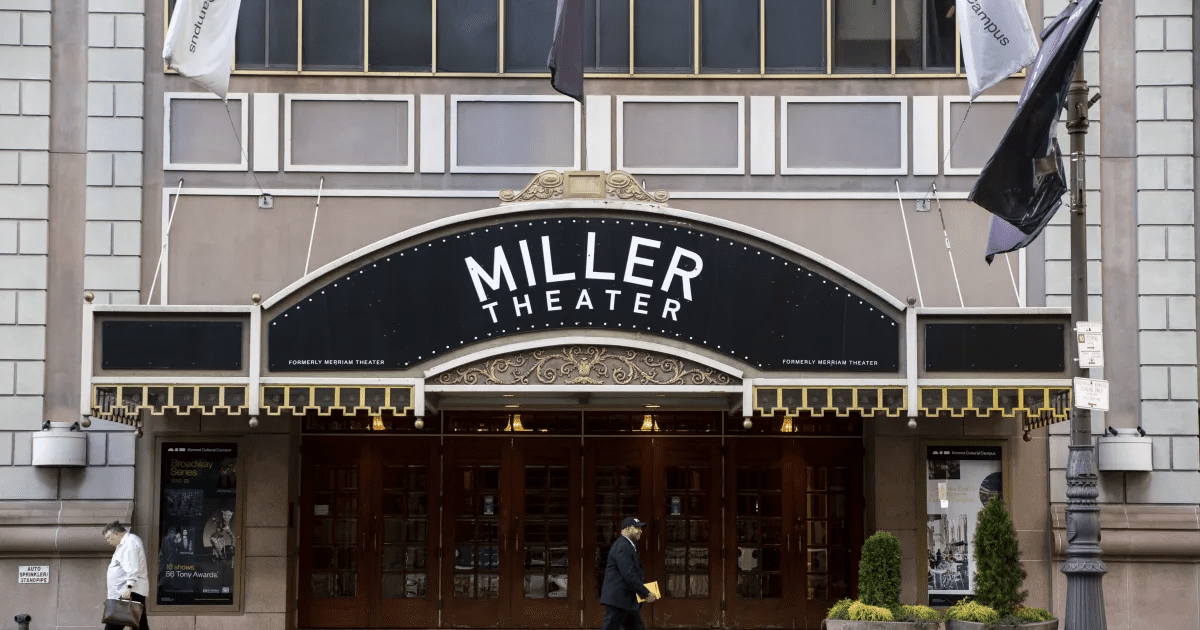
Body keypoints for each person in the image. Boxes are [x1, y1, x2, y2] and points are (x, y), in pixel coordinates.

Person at [600, 517, 657, 630]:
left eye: (641, 528)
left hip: (625, 599)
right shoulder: (623, 546)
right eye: (636, 528)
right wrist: (645, 593)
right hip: (618, 599)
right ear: (627, 529)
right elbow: (629, 574)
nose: (640, 530)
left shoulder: (627, 545)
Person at [103, 521, 149, 630]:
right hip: (130, 591)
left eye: (109, 538)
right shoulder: (129, 542)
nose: (108, 542)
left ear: (117, 534)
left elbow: (133, 568)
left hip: (127, 592)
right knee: (140, 626)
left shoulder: (129, 543)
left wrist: (128, 588)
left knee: (113, 626)